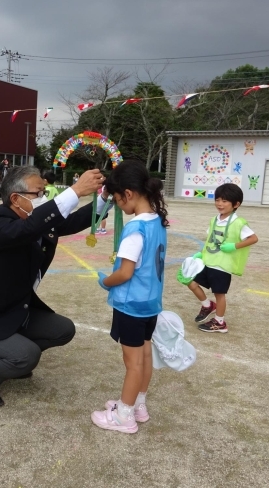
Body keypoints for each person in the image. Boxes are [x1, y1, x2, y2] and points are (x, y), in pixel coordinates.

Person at [0, 166, 106, 407]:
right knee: (26, 355)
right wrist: (75, 190)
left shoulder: (38, 220)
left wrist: (107, 198)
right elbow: (24, 231)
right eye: (39, 192)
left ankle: (10, 360)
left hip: (13, 310)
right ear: (16, 198)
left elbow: (75, 220)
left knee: (63, 329)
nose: (44, 197)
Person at [92, 160, 168, 434]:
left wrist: (105, 282)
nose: (118, 206)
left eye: (116, 199)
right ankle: (137, 404)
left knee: (133, 363)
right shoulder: (158, 222)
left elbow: (124, 273)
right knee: (145, 356)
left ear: (129, 194)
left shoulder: (135, 229)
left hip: (130, 305)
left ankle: (123, 415)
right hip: (150, 304)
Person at [186, 183, 259, 333]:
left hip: (222, 265)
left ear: (236, 204)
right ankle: (207, 306)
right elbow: (209, 239)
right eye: (217, 200)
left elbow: (253, 238)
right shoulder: (214, 220)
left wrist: (234, 246)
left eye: (225, 201)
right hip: (208, 261)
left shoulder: (238, 222)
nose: (220, 204)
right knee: (191, 282)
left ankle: (220, 322)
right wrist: (201, 253)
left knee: (219, 294)